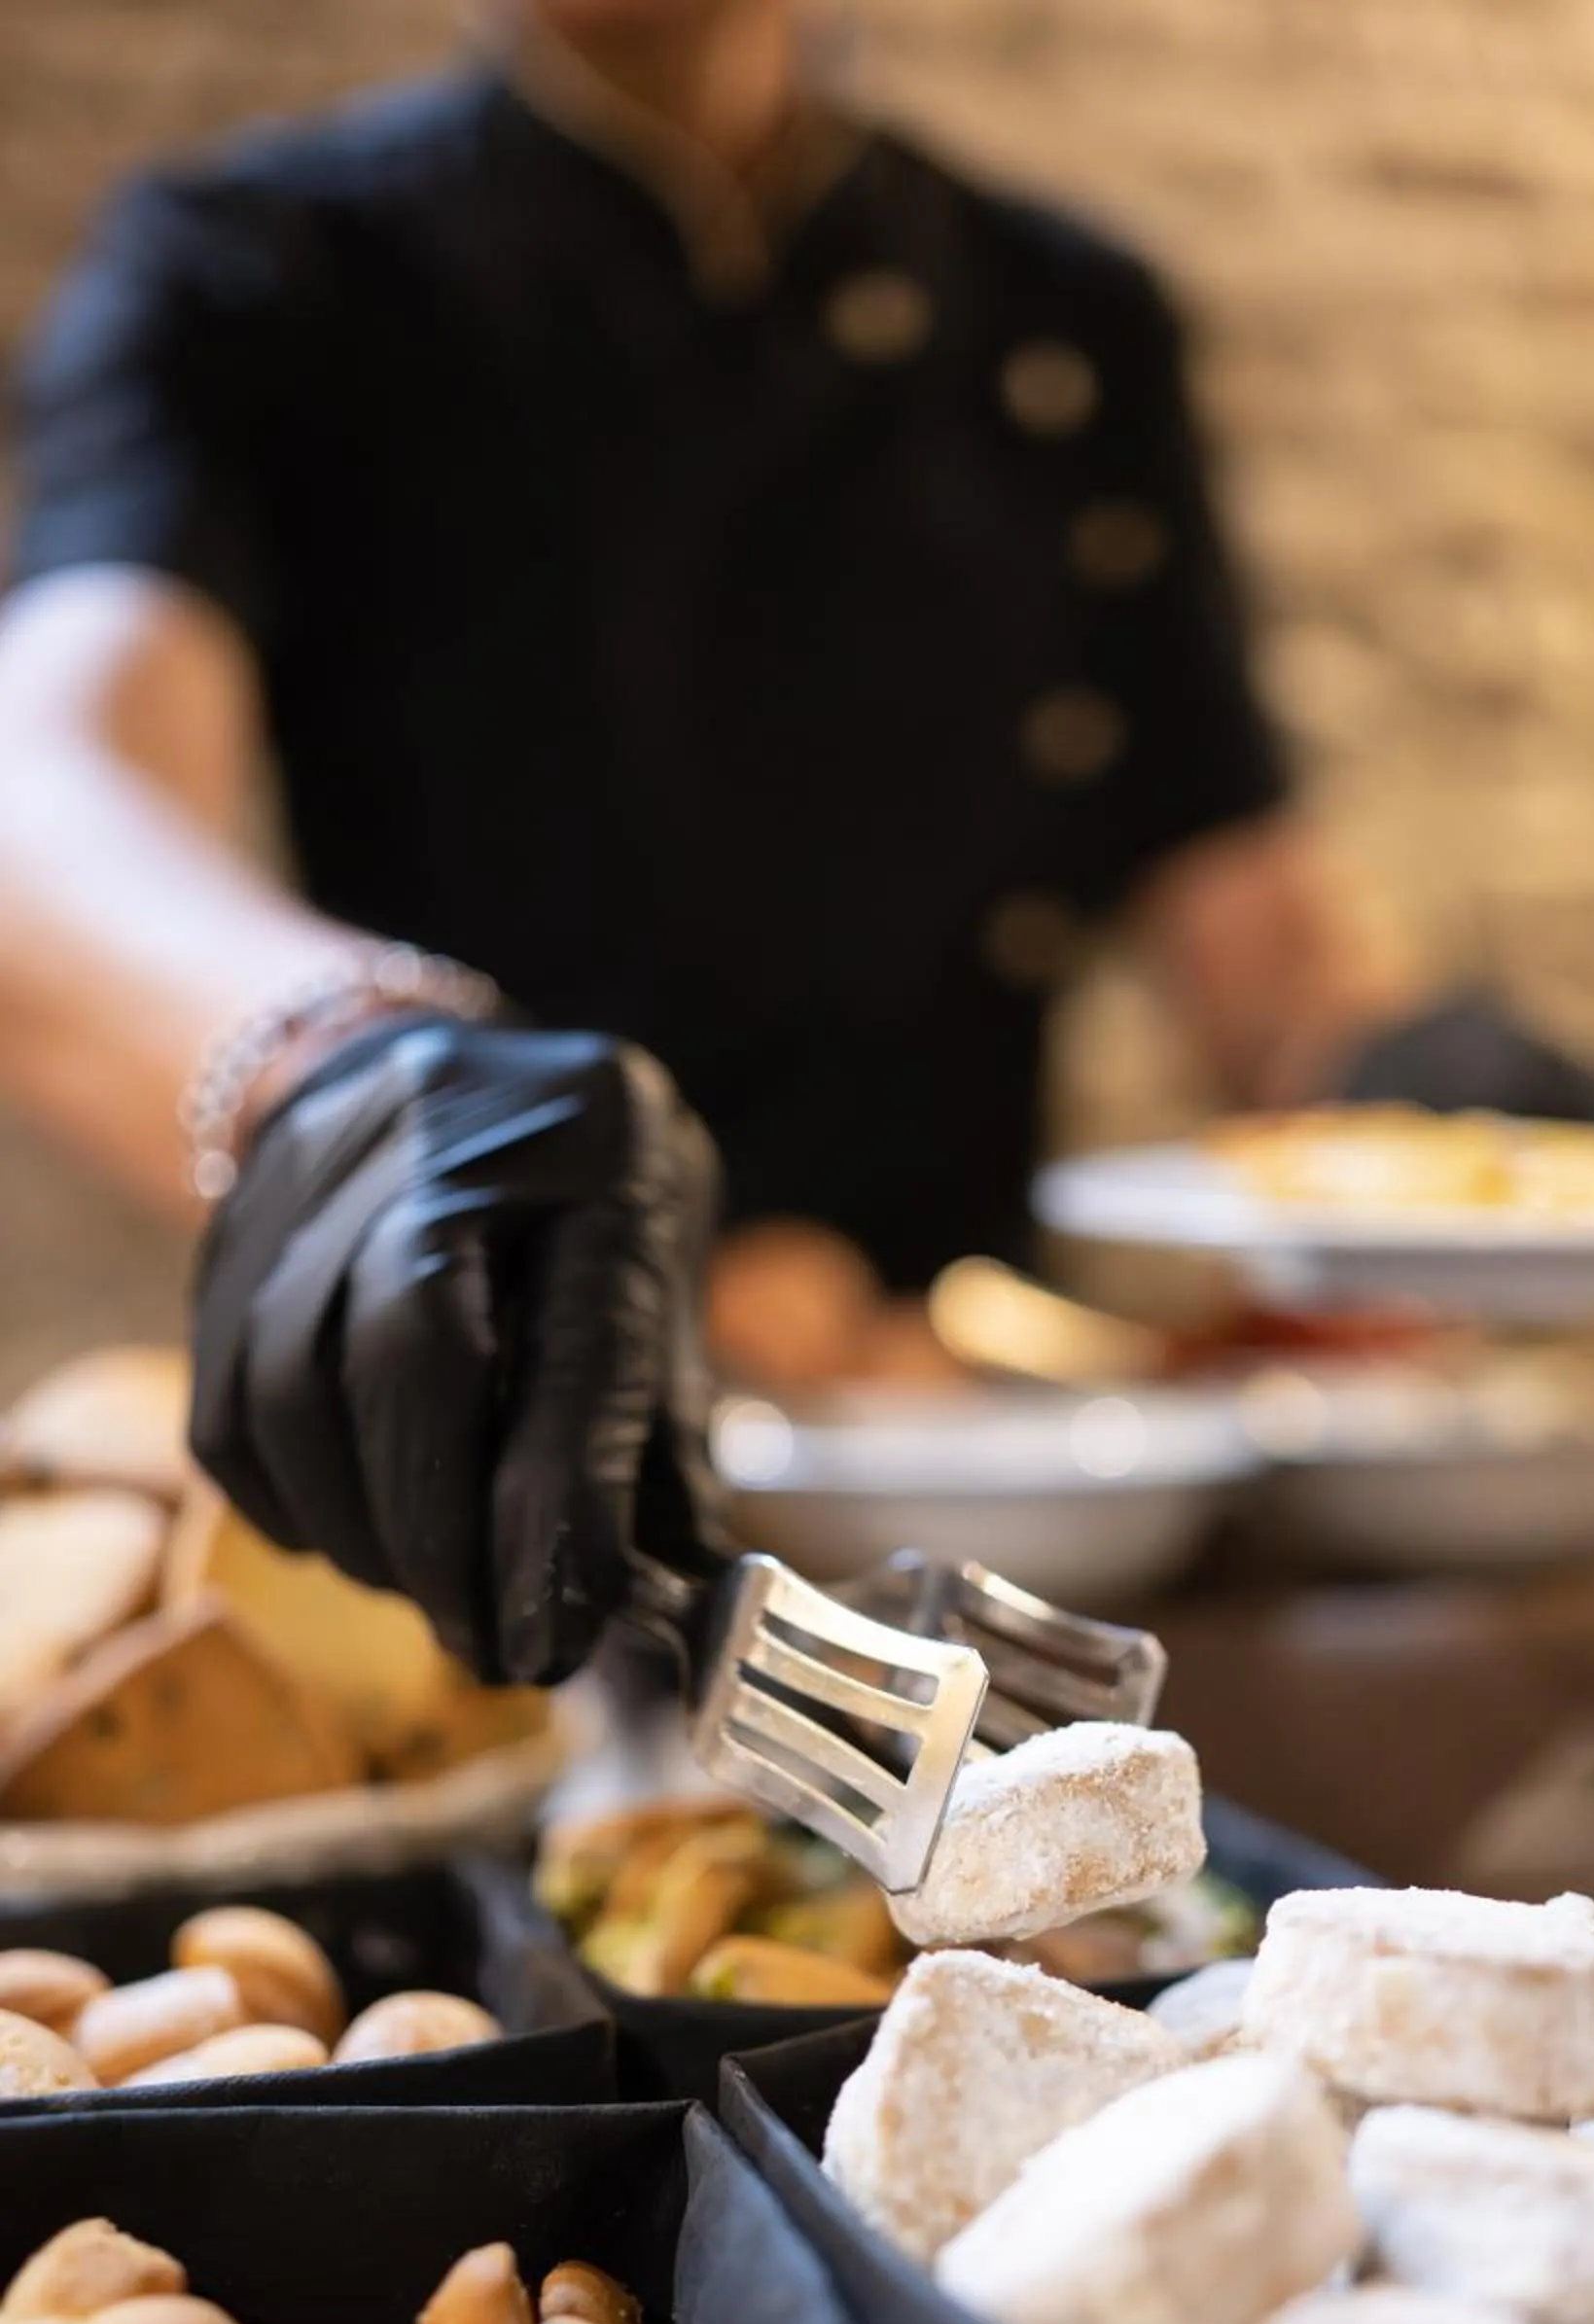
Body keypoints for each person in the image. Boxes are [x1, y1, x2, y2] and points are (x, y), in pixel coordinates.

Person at [0, 0, 1386, 1686]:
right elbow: (49, 802)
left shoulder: (1062, 315)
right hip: (498, 1504)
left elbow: (1250, 927)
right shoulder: (266, 267)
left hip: (983, 1507)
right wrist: (355, 1083)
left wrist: (1465, 1111)